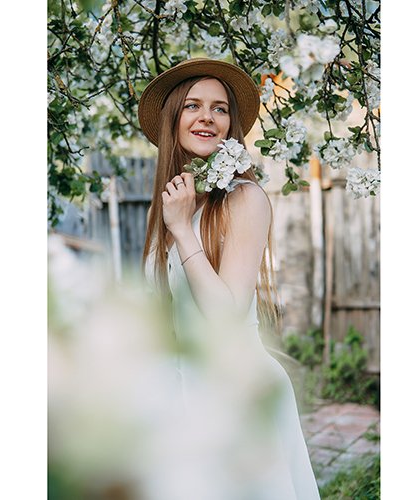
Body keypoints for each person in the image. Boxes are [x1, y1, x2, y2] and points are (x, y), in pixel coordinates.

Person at [139, 58, 320, 500]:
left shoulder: (246, 199)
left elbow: (225, 313)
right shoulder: (172, 203)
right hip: (179, 398)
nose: (207, 117)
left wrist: (183, 231)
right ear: (174, 119)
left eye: (219, 109)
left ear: (230, 125)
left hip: (236, 396)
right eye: (193, 106)